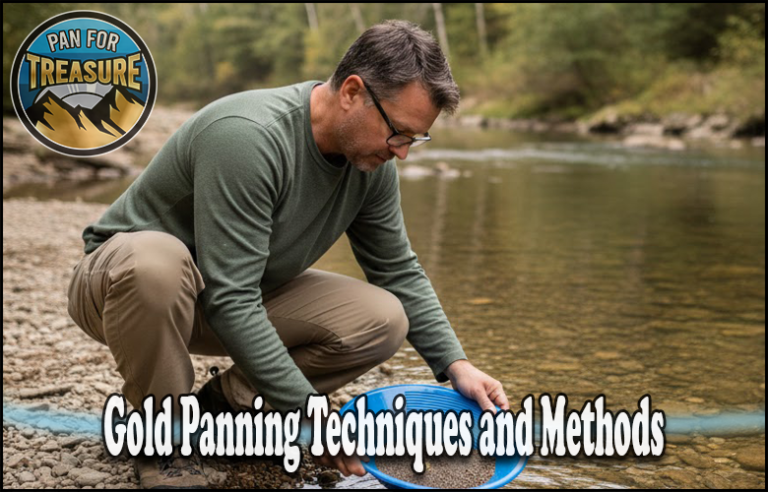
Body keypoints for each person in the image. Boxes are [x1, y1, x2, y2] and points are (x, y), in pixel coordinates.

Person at [66, 19, 509, 489]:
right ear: (352, 92)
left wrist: (457, 365)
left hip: (225, 295)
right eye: (399, 132)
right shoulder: (248, 136)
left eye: (415, 139)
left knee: (384, 317)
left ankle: (223, 411)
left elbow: (397, 269)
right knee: (157, 262)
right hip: (123, 289)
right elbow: (232, 298)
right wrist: (310, 416)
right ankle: (165, 440)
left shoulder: (372, 165)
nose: (402, 153)